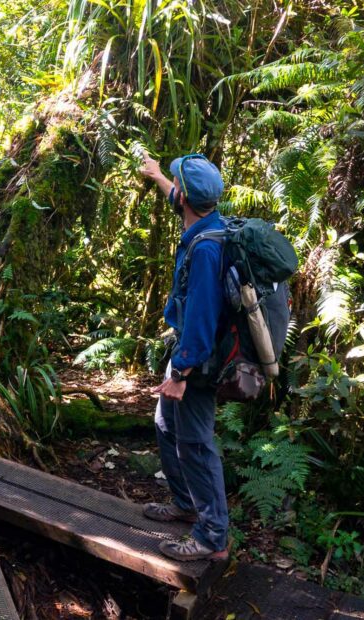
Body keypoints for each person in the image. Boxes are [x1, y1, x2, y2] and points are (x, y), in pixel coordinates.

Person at [138, 151, 231, 561]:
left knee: (195, 443)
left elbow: (201, 319)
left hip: (198, 359)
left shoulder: (207, 249)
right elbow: (175, 193)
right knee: (165, 424)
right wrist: (156, 173)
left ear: (187, 201)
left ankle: (213, 537)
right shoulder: (205, 219)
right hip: (189, 351)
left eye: (177, 185)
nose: (173, 190)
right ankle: (185, 503)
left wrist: (181, 372)